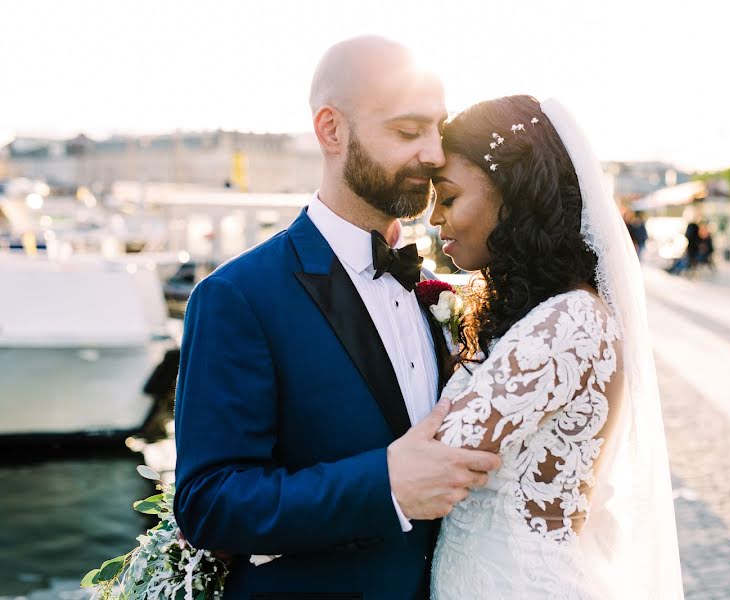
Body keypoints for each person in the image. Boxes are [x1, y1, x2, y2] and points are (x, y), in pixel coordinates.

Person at [173, 36, 501, 599]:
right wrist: (385, 487)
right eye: (407, 131)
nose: (434, 153)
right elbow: (209, 502)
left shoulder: (437, 292)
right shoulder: (237, 296)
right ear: (331, 129)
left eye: (436, 130)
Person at [428, 95, 683, 598]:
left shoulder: (571, 319)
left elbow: (442, 456)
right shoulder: (536, 312)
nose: (435, 218)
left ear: (513, 192)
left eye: (449, 197)